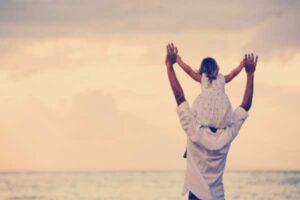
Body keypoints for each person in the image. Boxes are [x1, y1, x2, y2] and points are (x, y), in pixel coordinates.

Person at [165, 43, 257, 200]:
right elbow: (245, 105)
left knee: (190, 133)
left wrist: (172, 64)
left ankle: (189, 148)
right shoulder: (227, 133)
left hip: (197, 194)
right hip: (218, 196)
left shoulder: (194, 129)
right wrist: (249, 73)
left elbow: (180, 96)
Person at [176, 50, 245, 158]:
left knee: (191, 124)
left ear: (203, 68)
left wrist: (178, 60)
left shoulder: (203, 78)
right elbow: (233, 73)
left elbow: (189, 71)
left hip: (205, 112)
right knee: (217, 129)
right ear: (216, 68)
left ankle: (188, 148)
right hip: (220, 114)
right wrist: (242, 65)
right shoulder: (222, 78)